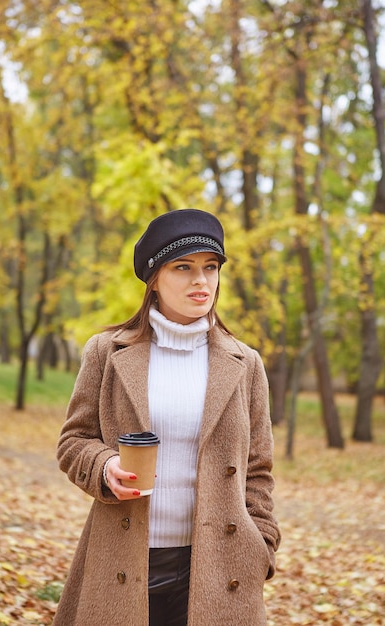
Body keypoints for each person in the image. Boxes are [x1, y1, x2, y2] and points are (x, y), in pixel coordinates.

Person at [53, 208, 281, 626]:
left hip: (219, 567)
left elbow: (258, 470)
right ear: (154, 278)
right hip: (124, 558)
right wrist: (105, 467)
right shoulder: (107, 352)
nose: (201, 280)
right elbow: (73, 442)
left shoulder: (245, 363)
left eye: (210, 267)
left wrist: (260, 547)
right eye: (184, 267)